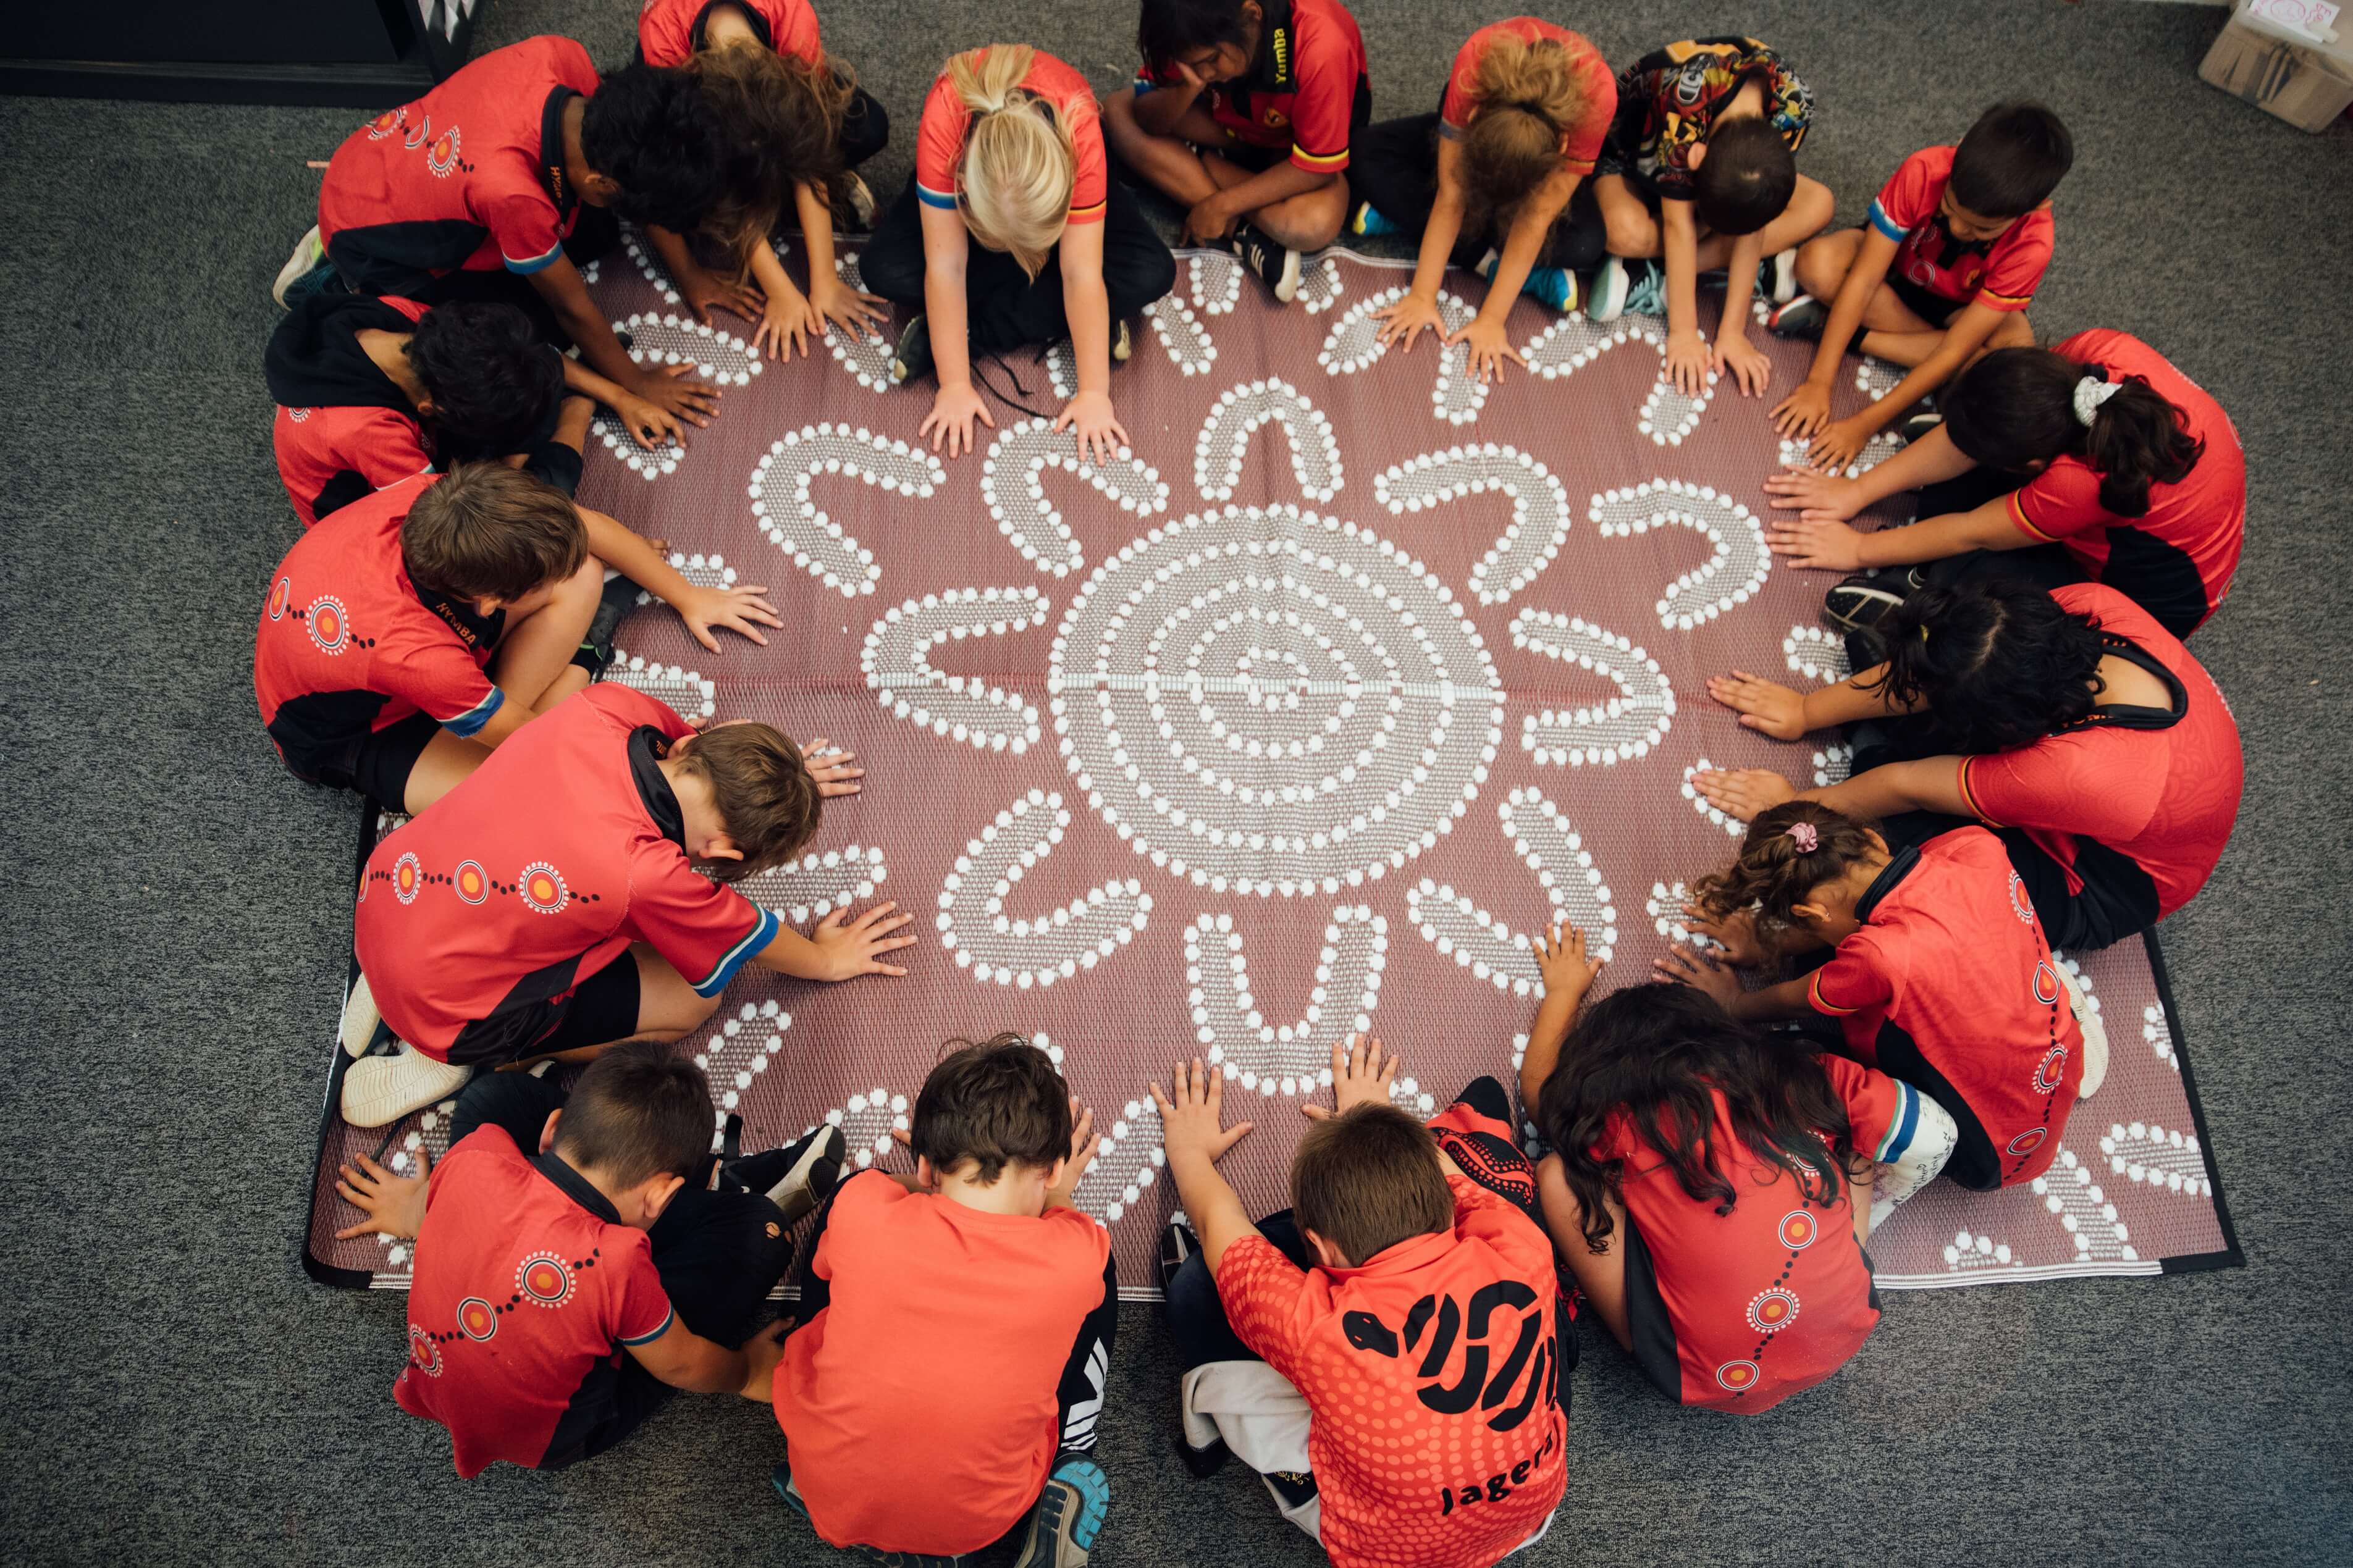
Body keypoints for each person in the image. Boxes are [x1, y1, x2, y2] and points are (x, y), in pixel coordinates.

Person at [338, 679, 901, 1126]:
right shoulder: (649, 875)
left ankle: (400, 981)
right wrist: (827, 960)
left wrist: (777, 779)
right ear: (723, 849)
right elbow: (747, 935)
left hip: (388, 896)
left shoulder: (607, 706)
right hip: (453, 1014)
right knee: (692, 999)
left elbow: (704, 744)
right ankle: (465, 1056)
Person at [327, 1042, 848, 1476]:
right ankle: (724, 1195)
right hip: (560, 1436)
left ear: (552, 1130)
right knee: (761, 1233)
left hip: (435, 1381)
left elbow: (443, 1201)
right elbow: (684, 1361)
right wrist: (746, 1370)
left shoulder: (477, 1156)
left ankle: (709, 1188)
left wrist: (417, 1211)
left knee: (491, 1097)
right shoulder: (619, 1262)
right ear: (662, 1195)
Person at [1158, 1037, 1570, 1566]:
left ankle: (1290, 1479)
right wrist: (1373, 1113)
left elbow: (1219, 1222)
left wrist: (1188, 1152)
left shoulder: (1318, 1328)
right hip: (1529, 1511)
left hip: (1386, 1553)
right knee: (1486, 1105)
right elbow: (1451, 1177)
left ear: (1324, 1249)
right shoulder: (1523, 1245)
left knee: (1196, 1288)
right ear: (1451, 1212)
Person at [1696, 578, 2244, 953]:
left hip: (2093, 883)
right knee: (1916, 683)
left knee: (1894, 876)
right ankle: (1878, 731)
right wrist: (1804, 710)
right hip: (2082, 782)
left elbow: (1906, 785)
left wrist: (1797, 810)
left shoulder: (2074, 771)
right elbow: (1945, 678)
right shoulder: (2086, 606)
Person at [1521, 945, 1948, 1416]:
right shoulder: (1800, 1077)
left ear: (1601, 1074)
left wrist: (1563, 991)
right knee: (1858, 1140)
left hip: (1691, 1375)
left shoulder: (1618, 1120)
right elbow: (1925, 1130)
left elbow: (1542, 1095)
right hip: (1845, 1332)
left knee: (1559, 1174)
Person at [770, 1034, 1116, 1567]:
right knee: (1100, 1277)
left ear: (928, 1168)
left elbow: (887, 1189)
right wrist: (1061, 1194)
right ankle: (1074, 1446)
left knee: (841, 1229)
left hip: (827, 1489)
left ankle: (876, 1526)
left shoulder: (863, 1205)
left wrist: (930, 1187)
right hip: (979, 1521)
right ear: (1049, 1171)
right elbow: (1067, 1224)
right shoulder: (1074, 1254)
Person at [276, 38, 728, 446]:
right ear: (598, 181)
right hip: (368, 234)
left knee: (597, 234)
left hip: (390, 165)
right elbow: (571, 306)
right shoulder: (512, 193)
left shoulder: (563, 57)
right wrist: (635, 383)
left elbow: (635, 171)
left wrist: (690, 275)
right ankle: (334, 277)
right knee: (517, 342)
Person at [255, 463, 780, 808]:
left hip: (396, 651)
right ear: (489, 603)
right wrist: (665, 747)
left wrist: (688, 595)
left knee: (583, 571)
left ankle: (487, 704)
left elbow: (585, 530)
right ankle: (574, 660)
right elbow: (537, 745)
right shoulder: (420, 655)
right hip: (350, 736)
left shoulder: (442, 500)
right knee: (519, 795)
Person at [1661, 801, 2103, 1191]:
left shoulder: (1878, 956)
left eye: (1804, 925)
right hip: (2053, 1068)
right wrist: (1768, 942)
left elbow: (1794, 999)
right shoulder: (1976, 845)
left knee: (1784, 1051)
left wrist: (1734, 1003)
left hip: (1987, 1156)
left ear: (1808, 914)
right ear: (1871, 838)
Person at [1765, 331, 2244, 641]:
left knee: (1997, 603)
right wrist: (1856, 492)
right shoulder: (2100, 354)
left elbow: (1970, 531)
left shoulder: (2076, 484)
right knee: (1957, 484)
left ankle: (1922, 599)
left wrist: (1858, 550)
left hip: (2145, 604)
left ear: (2034, 463)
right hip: (2129, 515)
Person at [861, 46, 1174, 465]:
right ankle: (1086, 322)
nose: (1015, 254)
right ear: (962, 185)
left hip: (1064, 194)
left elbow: (1081, 271)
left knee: (1153, 272)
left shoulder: (1079, 130)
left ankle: (967, 331)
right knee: (881, 269)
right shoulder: (945, 119)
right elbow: (947, 265)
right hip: (976, 203)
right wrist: (954, 384)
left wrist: (1094, 394)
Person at [1769, 102, 2073, 472]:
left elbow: (1954, 348)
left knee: (2013, 354)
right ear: (1958, 149)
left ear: (2036, 208)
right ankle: (1951, 373)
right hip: (1893, 274)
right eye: (1949, 209)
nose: (1960, 229)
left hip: (1960, 310)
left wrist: (1865, 425)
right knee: (1816, 265)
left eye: (1982, 229)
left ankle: (1838, 327)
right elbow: (1864, 280)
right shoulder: (1924, 168)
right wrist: (1819, 382)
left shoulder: (2034, 243)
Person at [1349, 19, 1617, 382]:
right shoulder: (1476, 63)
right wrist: (1423, 295)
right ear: (1474, 120)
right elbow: (1452, 195)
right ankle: (1492, 262)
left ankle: (1434, 235)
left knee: (1586, 245)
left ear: (1562, 149)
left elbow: (1535, 219)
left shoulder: (1596, 98)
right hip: (1486, 118)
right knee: (1360, 155)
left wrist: (1492, 319)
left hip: (1541, 148)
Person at [264, 296, 683, 526]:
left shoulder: (408, 321)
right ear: (433, 408)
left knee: (525, 387)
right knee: (534, 508)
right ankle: (578, 410)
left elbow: (524, 359)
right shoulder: (365, 431)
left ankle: (573, 406)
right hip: (377, 514)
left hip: (418, 445)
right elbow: (447, 521)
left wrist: (623, 396)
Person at [634, 1, 894, 360]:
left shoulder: (794, 23)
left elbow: (808, 144)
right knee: (674, 182)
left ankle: (795, 180)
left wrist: (825, 282)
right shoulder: (666, 56)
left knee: (868, 126)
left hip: (774, 72)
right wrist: (780, 290)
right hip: (681, 83)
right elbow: (718, 187)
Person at [1582, 36, 1833, 399]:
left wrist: (1733, 331)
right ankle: (1709, 269)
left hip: (1732, 174)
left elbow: (1755, 220)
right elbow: (1678, 226)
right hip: (1629, 155)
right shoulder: (1681, 108)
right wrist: (1684, 334)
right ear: (1696, 158)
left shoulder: (1795, 106)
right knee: (1624, 234)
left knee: (1821, 204)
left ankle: (1653, 272)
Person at [1105, 0, 1371, 301]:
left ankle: (1197, 164)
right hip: (1229, 126)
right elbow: (1146, 119)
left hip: (1291, 151)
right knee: (1116, 113)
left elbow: (1316, 168)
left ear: (1252, 16)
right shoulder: (1184, 20)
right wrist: (1189, 87)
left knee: (1314, 225)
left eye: (1213, 59)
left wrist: (1221, 206)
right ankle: (1243, 233)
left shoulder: (1321, 46)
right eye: (1192, 64)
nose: (1204, 71)